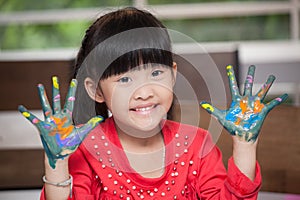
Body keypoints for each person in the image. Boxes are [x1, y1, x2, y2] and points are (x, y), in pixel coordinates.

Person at [18, 7, 288, 200]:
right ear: (96, 90)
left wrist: (244, 144)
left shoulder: (197, 145)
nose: (144, 91)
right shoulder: (87, 152)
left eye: (155, 73)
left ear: (172, 75)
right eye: (124, 80)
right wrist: (57, 162)